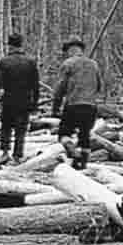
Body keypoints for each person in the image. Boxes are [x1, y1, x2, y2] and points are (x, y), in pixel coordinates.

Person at [51, 36, 102, 170]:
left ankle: (72, 151)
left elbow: (60, 88)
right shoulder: (94, 64)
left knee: (63, 134)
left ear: (69, 50)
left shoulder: (68, 64)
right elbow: (99, 86)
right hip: (91, 106)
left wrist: (55, 108)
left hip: (73, 105)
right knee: (85, 136)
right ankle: (82, 165)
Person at [0, 33, 39, 163]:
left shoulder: (4, 62)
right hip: (25, 99)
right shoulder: (30, 62)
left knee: (6, 126)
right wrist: (35, 103)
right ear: (21, 45)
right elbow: (35, 85)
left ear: (9, 45)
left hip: (9, 99)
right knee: (21, 128)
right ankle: (17, 155)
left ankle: (5, 152)